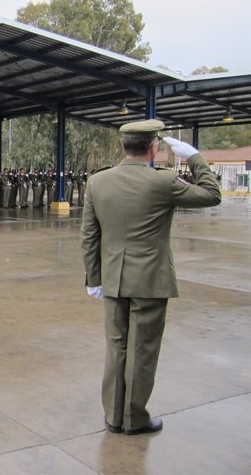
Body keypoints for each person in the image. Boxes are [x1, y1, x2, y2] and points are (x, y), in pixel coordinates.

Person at [80, 119, 221, 436]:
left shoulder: (98, 182)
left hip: (113, 279)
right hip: (150, 280)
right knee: (142, 349)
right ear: (154, 148)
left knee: (116, 348)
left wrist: (93, 278)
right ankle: (134, 419)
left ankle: (114, 417)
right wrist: (194, 157)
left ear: (123, 147)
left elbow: (89, 236)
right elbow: (212, 194)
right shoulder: (164, 182)